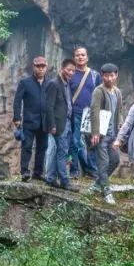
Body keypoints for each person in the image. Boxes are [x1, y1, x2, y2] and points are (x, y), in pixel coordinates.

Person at [87, 63, 125, 204]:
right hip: (101, 134)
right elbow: (94, 110)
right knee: (103, 163)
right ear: (102, 76)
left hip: (113, 134)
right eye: (107, 76)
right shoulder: (99, 91)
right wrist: (95, 133)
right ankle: (107, 192)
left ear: (116, 76)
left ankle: (97, 184)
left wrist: (120, 124)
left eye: (112, 75)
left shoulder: (117, 92)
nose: (109, 78)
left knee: (115, 160)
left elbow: (119, 111)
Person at [12, 56, 50, 182]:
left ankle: (38, 173)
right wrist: (17, 117)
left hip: (44, 121)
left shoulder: (49, 83)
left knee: (42, 147)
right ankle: (24, 172)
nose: (40, 69)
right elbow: (17, 100)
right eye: (38, 66)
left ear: (46, 67)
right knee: (27, 146)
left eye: (43, 66)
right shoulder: (25, 82)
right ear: (34, 67)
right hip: (29, 121)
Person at [43, 58, 77, 190]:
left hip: (67, 122)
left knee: (60, 151)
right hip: (58, 123)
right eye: (69, 70)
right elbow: (49, 106)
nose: (71, 73)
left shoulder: (67, 84)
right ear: (62, 68)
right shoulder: (54, 84)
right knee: (62, 152)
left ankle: (51, 178)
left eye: (73, 71)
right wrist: (51, 125)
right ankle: (64, 181)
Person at [66, 46, 99, 179]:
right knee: (75, 142)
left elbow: (99, 93)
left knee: (92, 143)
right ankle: (75, 170)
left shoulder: (94, 75)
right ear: (74, 58)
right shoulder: (70, 74)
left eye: (83, 55)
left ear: (87, 57)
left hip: (91, 113)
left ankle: (91, 169)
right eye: (78, 55)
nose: (80, 57)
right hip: (76, 112)